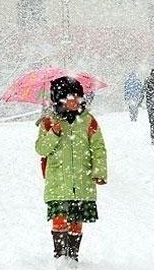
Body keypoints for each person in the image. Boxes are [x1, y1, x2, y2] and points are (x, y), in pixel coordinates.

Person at [35, 76, 108, 263]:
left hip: (82, 182)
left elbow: (98, 147)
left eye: (78, 97)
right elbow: (41, 149)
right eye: (69, 98)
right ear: (59, 100)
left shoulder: (88, 121)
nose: (75, 101)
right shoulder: (49, 123)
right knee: (60, 218)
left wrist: (99, 171)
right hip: (58, 182)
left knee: (76, 220)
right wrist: (54, 133)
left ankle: (73, 256)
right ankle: (60, 256)